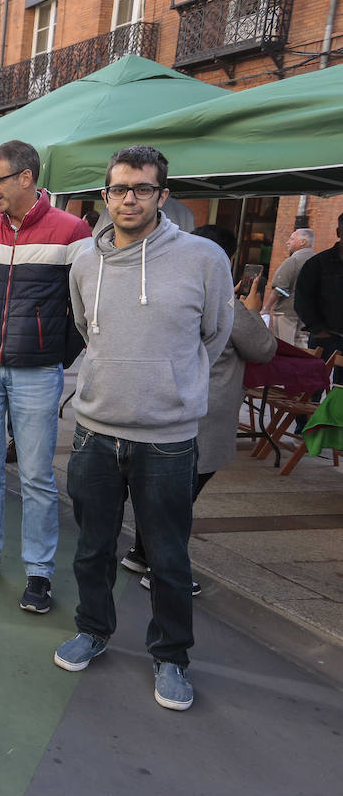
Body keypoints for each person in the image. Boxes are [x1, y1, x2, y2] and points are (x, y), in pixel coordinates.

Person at [55, 145, 233, 711]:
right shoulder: (84, 259)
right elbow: (88, 329)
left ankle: (172, 656)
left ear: (162, 194)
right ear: (105, 195)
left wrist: (167, 380)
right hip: (95, 431)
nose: (128, 198)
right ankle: (93, 629)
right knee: (93, 548)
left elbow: (215, 332)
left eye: (141, 188)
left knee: (168, 556)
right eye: (118, 189)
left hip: (168, 436)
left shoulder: (204, 258)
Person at [0, 139, 92, 615]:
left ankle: (39, 573)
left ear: (25, 178)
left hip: (37, 371)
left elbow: (84, 307)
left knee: (35, 476)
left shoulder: (73, 230)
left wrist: (52, 351)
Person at [121, 224, 276, 591]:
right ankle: (163, 570)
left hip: (160, 402)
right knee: (179, 495)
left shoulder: (168, 287)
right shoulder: (225, 302)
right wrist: (250, 310)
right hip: (201, 412)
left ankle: (142, 552)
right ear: (229, 259)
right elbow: (263, 349)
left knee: (160, 487)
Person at [295, 213, 343, 384]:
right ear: (339, 232)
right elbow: (302, 299)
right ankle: (304, 412)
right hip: (325, 336)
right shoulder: (318, 263)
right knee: (312, 386)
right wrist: (318, 329)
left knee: (340, 393)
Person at [261, 228, 316, 348]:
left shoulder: (293, 261)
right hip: (308, 314)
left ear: (302, 242)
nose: (288, 242)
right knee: (302, 348)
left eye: (291, 238)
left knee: (285, 347)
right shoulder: (319, 262)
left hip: (286, 312)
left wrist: (266, 308)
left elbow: (280, 289)